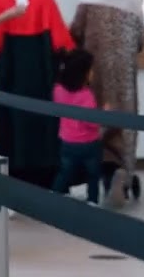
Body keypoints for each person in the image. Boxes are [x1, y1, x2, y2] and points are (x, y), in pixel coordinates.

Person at [0, 0, 72, 189]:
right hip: (41, 70)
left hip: (10, 71)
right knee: (42, 119)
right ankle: (45, 173)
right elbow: (60, 39)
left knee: (10, 122)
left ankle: (14, 175)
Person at [71, 0, 144, 207]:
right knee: (124, 126)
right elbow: (140, 42)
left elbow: (75, 33)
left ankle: (100, 172)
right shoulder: (134, 0)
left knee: (95, 125)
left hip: (95, 75)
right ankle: (124, 172)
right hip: (124, 77)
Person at [51, 49, 104, 204]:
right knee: (93, 174)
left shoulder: (58, 90)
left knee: (64, 172)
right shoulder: (86, 95)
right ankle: (93, 201)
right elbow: (91, 122)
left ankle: (54, 195)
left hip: (66, 142)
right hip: (89, 144)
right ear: (84, 73)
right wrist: (105, 113)